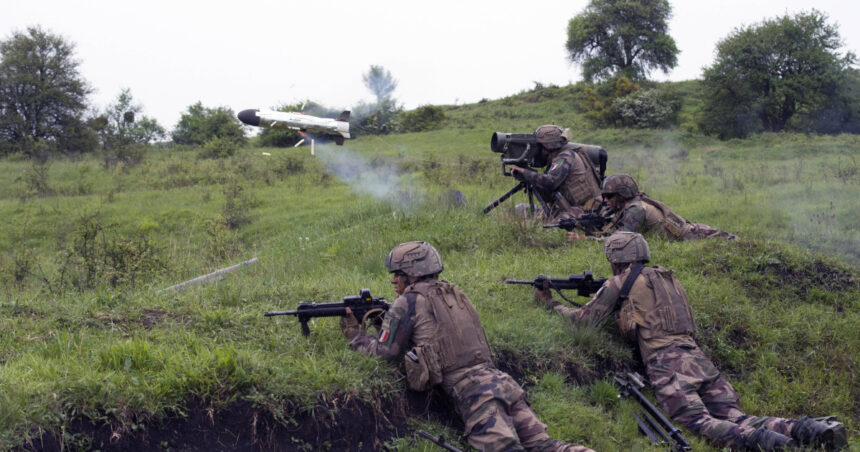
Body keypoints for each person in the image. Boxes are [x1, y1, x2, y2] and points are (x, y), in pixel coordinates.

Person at [533, 231, 846, 451]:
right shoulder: (668, 278)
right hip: (698, 359)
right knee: (736, 415)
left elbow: (585, 319)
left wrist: (550, 304)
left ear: (615, 257)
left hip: (668, 363)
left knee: (696, 421)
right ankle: (809, 430)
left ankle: (766, 444)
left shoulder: (619, 281)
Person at [341, 241, 593, 452]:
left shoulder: (408, 301)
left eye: (397, 274)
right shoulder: (454, 293)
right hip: (504, 384)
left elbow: (385, 353)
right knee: (549, 447)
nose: (394, 280)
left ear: (412, 273)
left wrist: (355, 335)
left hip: (476, 396)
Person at [509, 125, 603, 222]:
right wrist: (529, 176)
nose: (536, 152)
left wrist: (526, 173)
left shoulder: (565, 157)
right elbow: (547, 196)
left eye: (538, 147)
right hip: (569, 209)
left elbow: (550, 182)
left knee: (554, 224)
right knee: (520, 210)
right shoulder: (555, 160)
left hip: (586, 210)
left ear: (547, 147)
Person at [601, 174, 737, 240]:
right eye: (604, 196)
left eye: (609, 196)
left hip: (691, 236)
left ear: (622, 195)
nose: (605, 200)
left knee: (730, 241)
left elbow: (621, 239)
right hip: (688, 233)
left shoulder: (636, 209)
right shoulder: (630, 205)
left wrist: (588, 239)